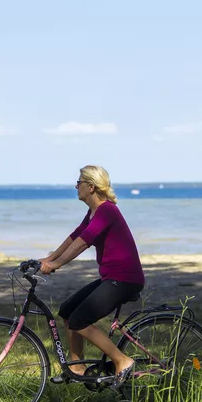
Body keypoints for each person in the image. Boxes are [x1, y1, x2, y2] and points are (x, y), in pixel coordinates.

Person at [39, 165, 145, 389]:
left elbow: (84, 241)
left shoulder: (107, 210)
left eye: (79, 182)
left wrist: (56, 264)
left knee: (80, 320)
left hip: (124, 279)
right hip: (113, 277)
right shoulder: (94, 211)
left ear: (90, 186)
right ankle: (76, 367)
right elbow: (75, 236)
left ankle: (122, 360)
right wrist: (48, 259)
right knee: (68, 311)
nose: (75, 186)